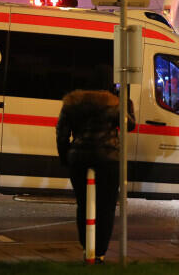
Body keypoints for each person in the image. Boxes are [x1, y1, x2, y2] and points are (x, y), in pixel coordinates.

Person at [56, 89, 135, 264]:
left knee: (83, 205)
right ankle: (99, 252)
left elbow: (61, 134)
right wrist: (127, 104)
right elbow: (129, 125)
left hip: (79, 159)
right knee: (106, 208)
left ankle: (86, 248)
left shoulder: (71, 104)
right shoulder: (113, 104)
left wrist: (66, 157)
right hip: (108, 160)